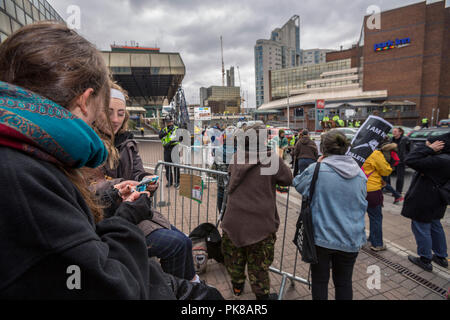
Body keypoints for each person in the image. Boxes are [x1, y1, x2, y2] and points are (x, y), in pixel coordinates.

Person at [0, 21, 224, 300]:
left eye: (121, 113)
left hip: (125, 221)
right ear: (86, 101)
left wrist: (140, 184)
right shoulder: (30, 175)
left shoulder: (29, 157)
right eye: (104, 110)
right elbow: (106, 282)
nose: (110, 120)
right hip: (123, 226)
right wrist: (125, 209)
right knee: (177, 244)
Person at [92, 82, 199, 283]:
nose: (115, 119)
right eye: (109, 112)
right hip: (110, 218)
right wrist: (122, 185)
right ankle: (175, 290)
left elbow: (138, 172)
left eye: (121, 113)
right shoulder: (89, 142)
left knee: (185, 242)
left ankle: (189, 287)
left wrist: (146, 180)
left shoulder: (127, 141)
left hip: (136, 210)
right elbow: (89, 185)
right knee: (176, 244)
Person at [293, 130, 368, 300]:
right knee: (344, 283)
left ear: (322, 149)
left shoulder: (317, 169)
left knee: (320, 283)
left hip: (322, 238)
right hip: (351, 237)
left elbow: (297, 184)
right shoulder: (359, 173)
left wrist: (319, 163)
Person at [221, 124, 293, 300]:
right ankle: (262, 297)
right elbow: (288, 179)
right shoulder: (271, 159)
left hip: (233, 221)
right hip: (260, 224)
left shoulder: (237, 157)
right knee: (258, 265)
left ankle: (237, 287)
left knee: (235, 259)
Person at [401, 133, 449, 272]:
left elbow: (410, 159)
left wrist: (428, 149)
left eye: (429, 143)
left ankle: (425, 259)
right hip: (439, 199)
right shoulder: (445, 158)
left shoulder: (438, 160)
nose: (426, 144)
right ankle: (441, 256)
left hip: (425, 199)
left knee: (422, 228)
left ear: (439, 146)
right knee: (435, 225)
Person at [362, 144, 393, 251]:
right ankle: (377, 243)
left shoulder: (354, 152)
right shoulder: (374, 154)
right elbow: (386, 170)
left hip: (357, 189)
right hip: (371, 190)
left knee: (358, 216)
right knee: (375, 217)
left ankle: (361, 240)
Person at [159, 115, 181, 188]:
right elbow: (160, 136)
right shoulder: (164, 129)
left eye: (170, 121)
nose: (169, 123)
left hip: (174, 149)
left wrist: (171, 142)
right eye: (167, 122)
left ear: (172, 121)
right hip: (166, 150)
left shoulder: (176, 128)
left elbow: (180, 138)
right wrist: (168, 131)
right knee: (167, 167)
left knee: (176, 167)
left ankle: (177, 182)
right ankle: (170, 182)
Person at [380, 139, 404, 204]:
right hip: (389, 169)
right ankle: (380, 200)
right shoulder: (392, 150)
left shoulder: (384, 150)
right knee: (382, 184)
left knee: (382, 183)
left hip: (384, 169)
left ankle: (397, 195)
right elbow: (396, 160)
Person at [391, 127, 411, 195]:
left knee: (400, 178)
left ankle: (398, 192)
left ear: (400, 132)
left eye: (395, 131)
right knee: (387, 175)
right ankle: (389, 189)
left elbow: (410, 149)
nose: (393, 133)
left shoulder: (405, 139)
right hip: (392, 160)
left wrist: (406, 158)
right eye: (393, 131)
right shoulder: (392, 139)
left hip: (401, 161)